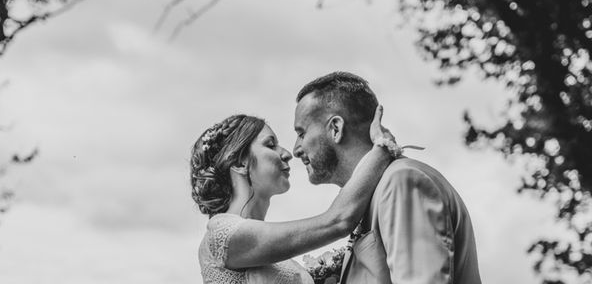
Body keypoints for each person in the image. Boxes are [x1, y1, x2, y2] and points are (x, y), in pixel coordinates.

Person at [293, 71, 483, 284]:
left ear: (336, 128)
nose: (295, 150)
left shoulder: (402, 181)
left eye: (301, 134)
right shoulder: (376, 193)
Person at [190, 104, 398, 284]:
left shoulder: (272, 258)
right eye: (270, 145)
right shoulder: (221, 235)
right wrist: (382, 147)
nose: (287, 153)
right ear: (239, 162)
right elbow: (337, 221)